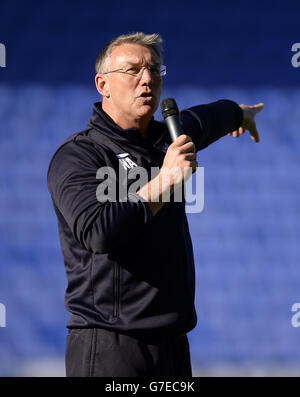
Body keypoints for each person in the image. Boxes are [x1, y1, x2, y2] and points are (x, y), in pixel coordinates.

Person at [47, 32, 264, 377]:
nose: (147, 78)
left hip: (173, 347)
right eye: (132, 70)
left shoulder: (169, 139)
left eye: (154, 69)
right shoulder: (79, 156)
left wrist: (238, 114)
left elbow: (207, 118)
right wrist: (165, 181)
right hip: (110, 348)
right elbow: (99, 232)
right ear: (102, 84)